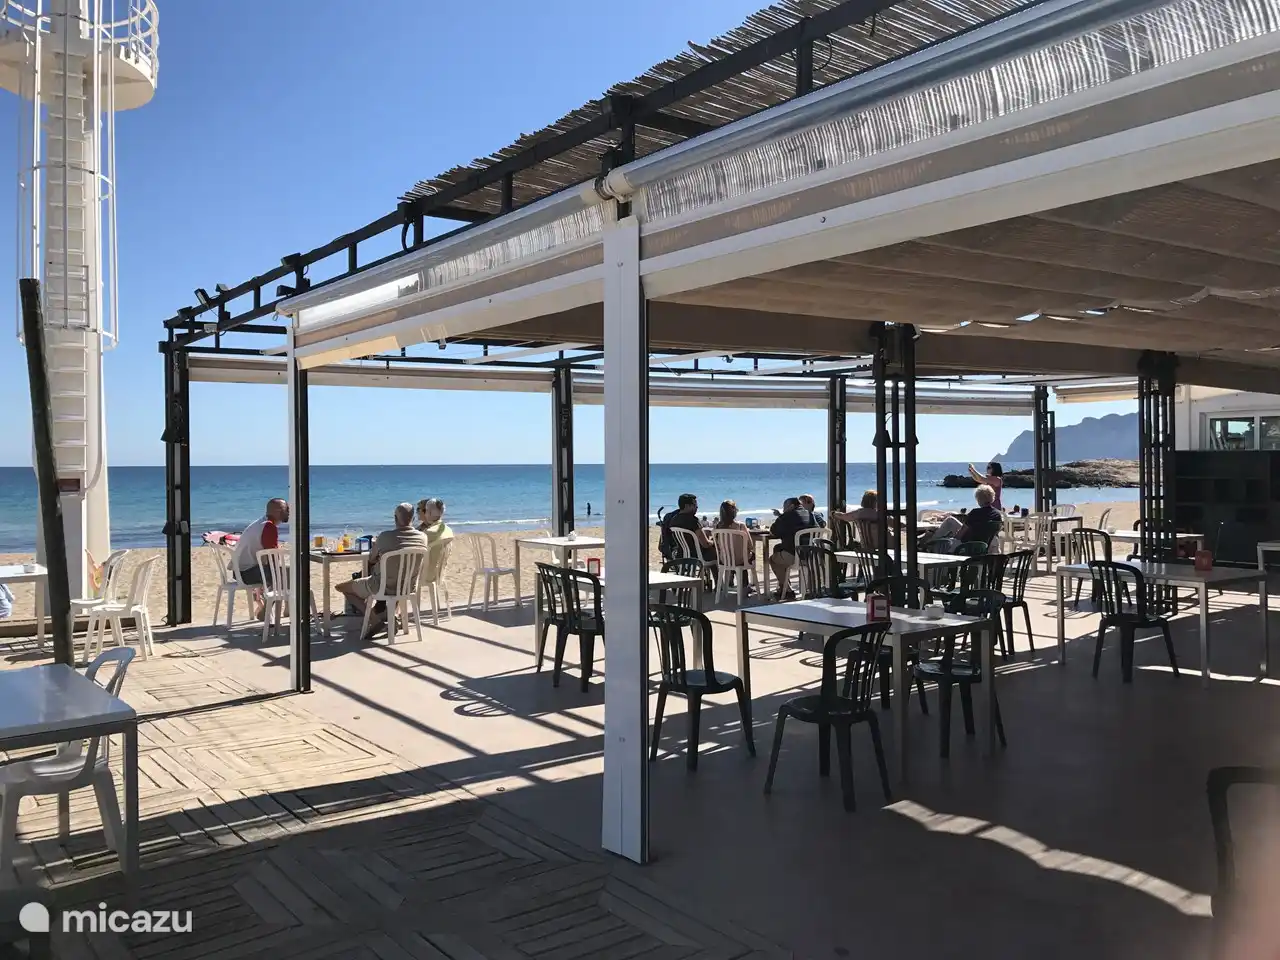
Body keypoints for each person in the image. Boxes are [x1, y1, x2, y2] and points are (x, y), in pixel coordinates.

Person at [339, 503, 430, 639]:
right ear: (414, 519)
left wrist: (377, 545)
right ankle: (390, 615)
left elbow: (371, 558)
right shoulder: (423, 537)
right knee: (396, 575)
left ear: (395, 518)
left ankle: (374, 620)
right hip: (407, 586)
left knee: (342, 587)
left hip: (381, 586)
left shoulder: (385, 536)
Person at [231, 498, 289, 616]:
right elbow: (272, 557)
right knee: (287, 574)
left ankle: (282, 609)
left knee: (285, 572)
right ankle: (269, 611)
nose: (289, 511)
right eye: (286, 508)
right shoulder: (269, 527)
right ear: (277, 511)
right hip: (246, 572)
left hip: (240, 570)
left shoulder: (260, 523)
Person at [925, 485, 1003, 553]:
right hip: (985, 544)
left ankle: (931, 543)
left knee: (950, 520)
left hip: (967, 545)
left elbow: (961, 534)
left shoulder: (975, 513)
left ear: (978, 499)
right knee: (951, 521)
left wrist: (952, 538)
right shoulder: (997, 514)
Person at [769, 497, 816, 600]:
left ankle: (787, 590)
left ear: (791, 506)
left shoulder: (786, 516)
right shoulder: (810, 514)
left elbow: (773, 531)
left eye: (784, 507)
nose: (783, 509)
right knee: (778, 548)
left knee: (773, 560)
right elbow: (816, 531)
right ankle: (783, 588)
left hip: (794, 555)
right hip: (810, 555)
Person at [659, 493, 715, 562]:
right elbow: (705, 544)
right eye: (695, 505)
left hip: (681, 555)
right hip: (696, 556)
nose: (697, 508)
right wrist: (715, 542)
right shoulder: (694, 521)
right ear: (687, 506)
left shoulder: (673, 520)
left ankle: (709, 572)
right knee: (718, 551)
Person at [713, 499, 755, 567]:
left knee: (733, 559)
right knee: (751, 555)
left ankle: (730, 576)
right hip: (741, 560)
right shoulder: (740, 526)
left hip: (724, 559)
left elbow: (716, 545)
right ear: (734, 512)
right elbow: (750, 546)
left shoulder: (718, 527)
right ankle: (743, 577)